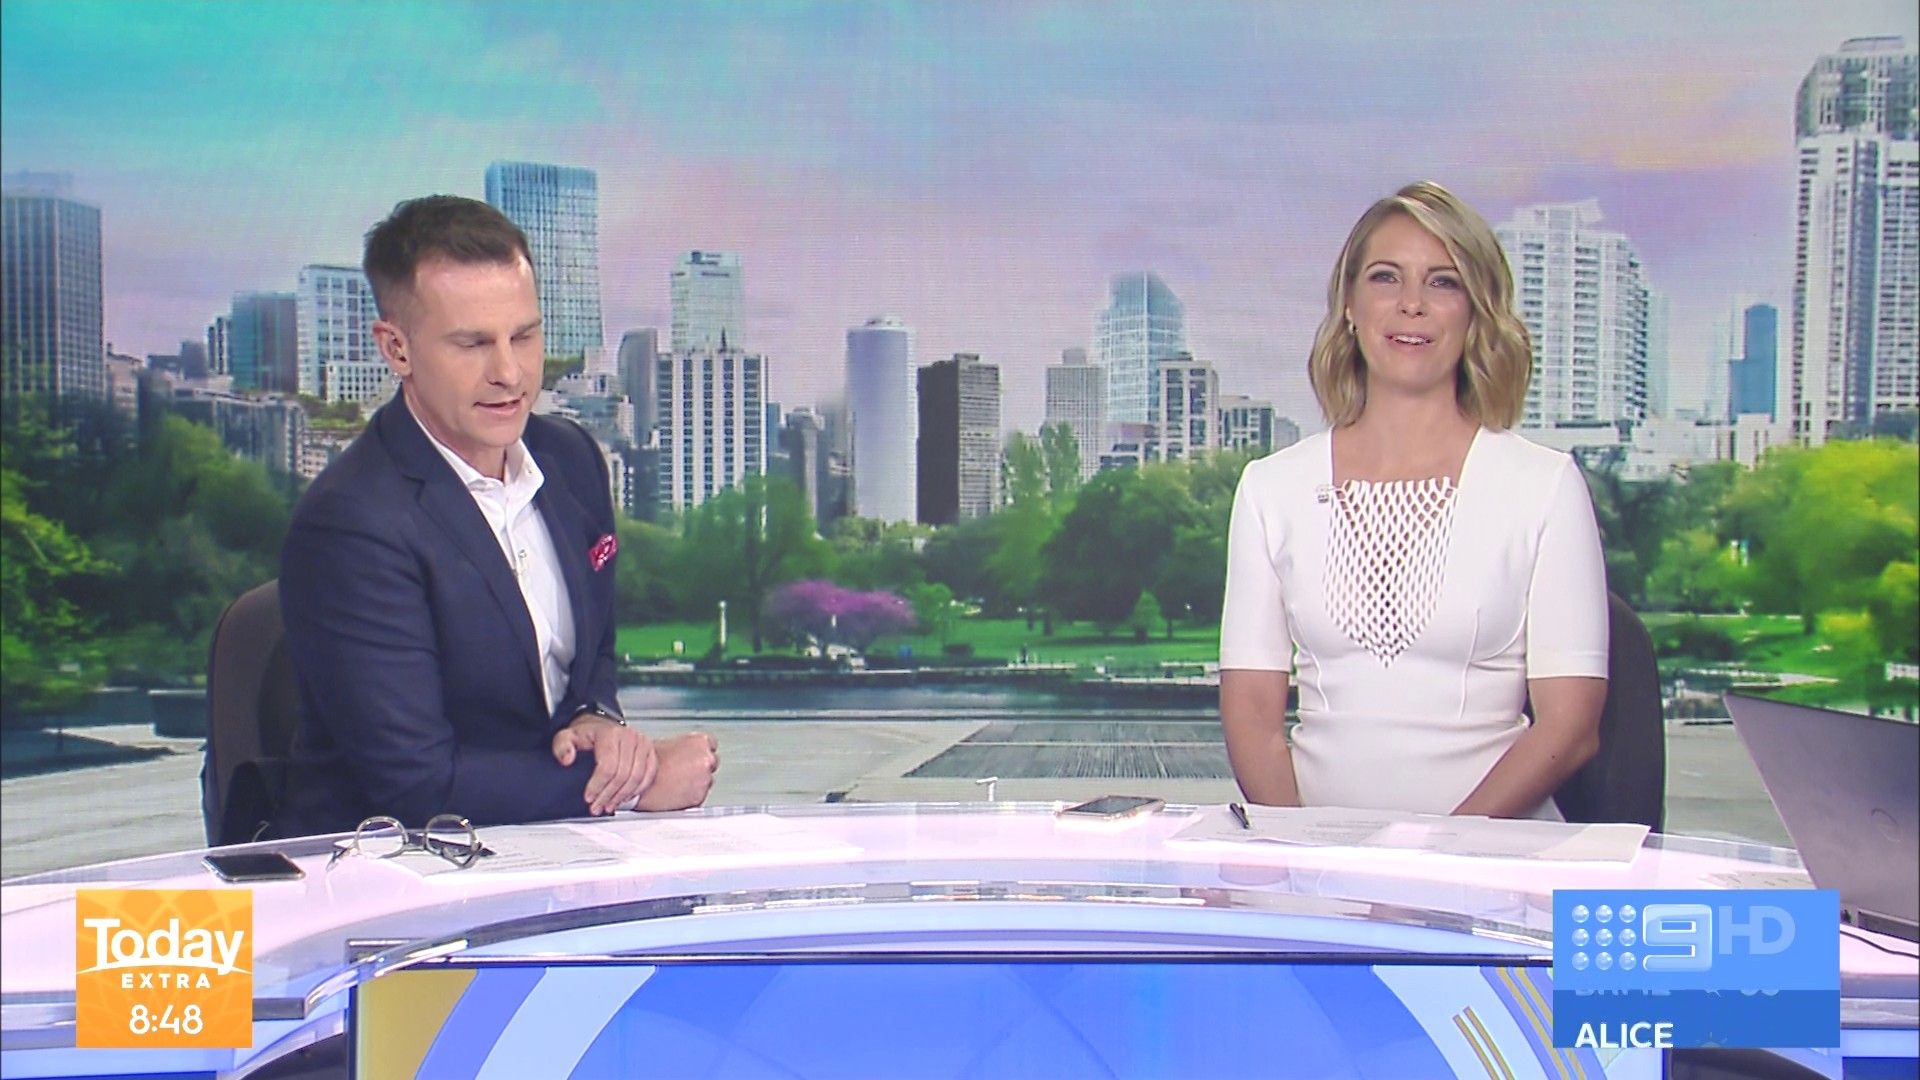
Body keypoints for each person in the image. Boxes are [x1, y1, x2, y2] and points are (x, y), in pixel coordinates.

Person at [273, 195, 716, 838]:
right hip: (394, 864)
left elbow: (592, 653)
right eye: (473, 343)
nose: (509, 373)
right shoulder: (351, 524)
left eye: (524, 336)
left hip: (553, 847)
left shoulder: (572, 459)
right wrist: (636, 786)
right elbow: (419, 785)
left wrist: (595, 716)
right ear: (397, 349)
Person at [1218, 181, 1608, 820]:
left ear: (1475, 311)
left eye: (1443, 282)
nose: (1412, 305)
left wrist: (1438, 857)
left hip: (1492, 857)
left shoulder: (1545, 486)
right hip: (1315, 857)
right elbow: (1252, 716)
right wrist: (1299, 852)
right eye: (1385, 277)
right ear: (1349, 305)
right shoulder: (1271, 489)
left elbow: (1570, 728)